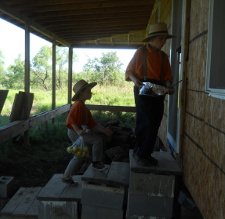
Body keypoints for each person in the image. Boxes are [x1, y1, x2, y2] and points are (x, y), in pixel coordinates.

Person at [125, 22, 175, 167]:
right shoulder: (141, 52)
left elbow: (167, 77)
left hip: (159, 90)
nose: (163, 42)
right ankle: (139, 153)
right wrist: (135, 81)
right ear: (152, 39)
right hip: (143, 88)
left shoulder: (164, 57)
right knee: (145, 121)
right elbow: (129, 71)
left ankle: (146, 154)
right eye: (161, 38)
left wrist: (169, 86)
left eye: (165, 39)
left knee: (156, 121)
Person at [61, 79, 114, 185]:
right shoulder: (77, 105)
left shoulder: (83, 107)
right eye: (88, 91)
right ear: (81, 93)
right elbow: (70, 120)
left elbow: (92, 123)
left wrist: (104, 131)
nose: (91, 93)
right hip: (74, 133)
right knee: (97, 141)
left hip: (76, 133)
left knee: (79, 156)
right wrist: (78, 130)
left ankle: (66, 176)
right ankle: (96, 163)